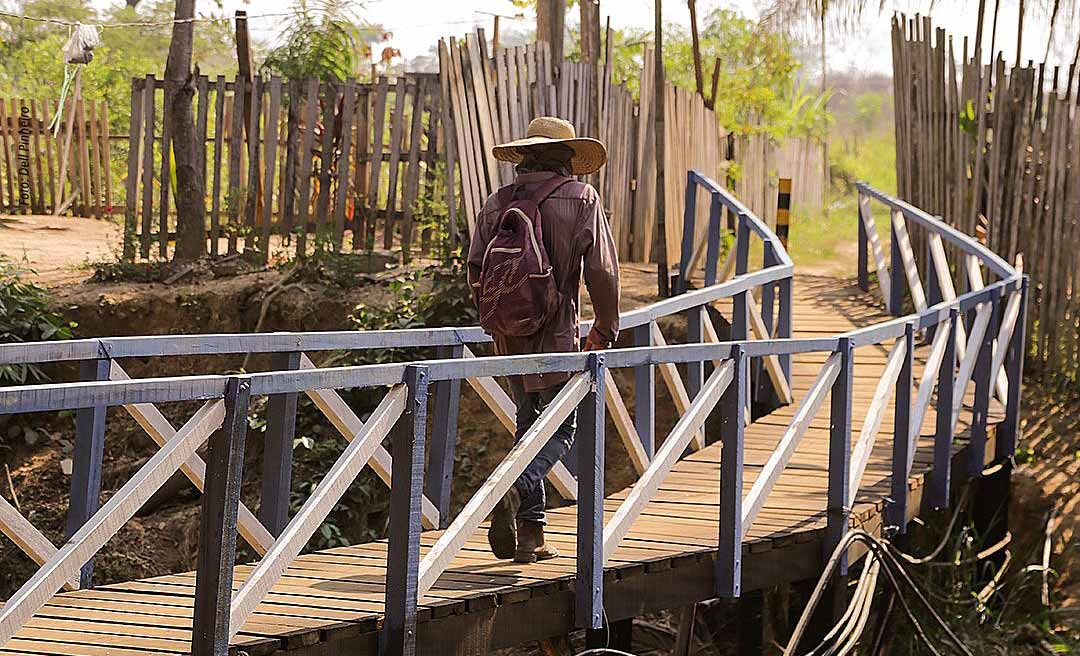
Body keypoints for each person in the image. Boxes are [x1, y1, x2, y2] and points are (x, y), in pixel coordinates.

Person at [467, 116, 621, 563]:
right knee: (561, 427)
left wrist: (503, 319)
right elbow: (602, 272)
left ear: (525, 156)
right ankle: (512, 491)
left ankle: (531, 538)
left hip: (510, 336)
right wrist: (606, 327)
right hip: (556, 335)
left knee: (527, 425)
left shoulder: (497, 203)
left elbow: (476, 270)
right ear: (564, 158)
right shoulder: (581, 199)